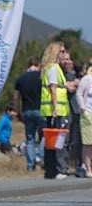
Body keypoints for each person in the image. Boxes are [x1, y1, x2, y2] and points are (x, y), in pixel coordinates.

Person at [40, 41, 69, 180]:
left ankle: (52, 169)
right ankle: (54, 169)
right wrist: (56, 107)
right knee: (55, 142)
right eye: (62, 51)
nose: (64, 54)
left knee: (54, 141)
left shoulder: (55, 68)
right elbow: (53, 89)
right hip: (54, 111)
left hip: (58, 110)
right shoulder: (53, 69)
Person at [13, 56, 45, 170]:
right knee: (43, 136)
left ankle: (30, 165)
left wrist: (17, 112)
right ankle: (41, 159)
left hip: (27, 110)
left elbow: (16, 97)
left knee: (30, 138)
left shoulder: (21, 79)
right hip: (41, 110)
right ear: (38, 65)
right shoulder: (42, 77)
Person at [61, 53, 83, 176]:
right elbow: (70, 88)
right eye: (65, 59)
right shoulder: (61, 74)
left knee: (77, 140)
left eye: (69, 59)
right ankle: (64, 166)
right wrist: (73, 84)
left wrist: (76, 83)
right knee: (65, 140)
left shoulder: (75, 74)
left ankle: (78, 165)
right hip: (65, 110)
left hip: (77, 111)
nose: (67, 62)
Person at [77, 65, 92, 177]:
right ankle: (88, 168)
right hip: (88, 114)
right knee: (88, 142)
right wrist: (83, 109)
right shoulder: (87, 79)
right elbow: (79, 94)